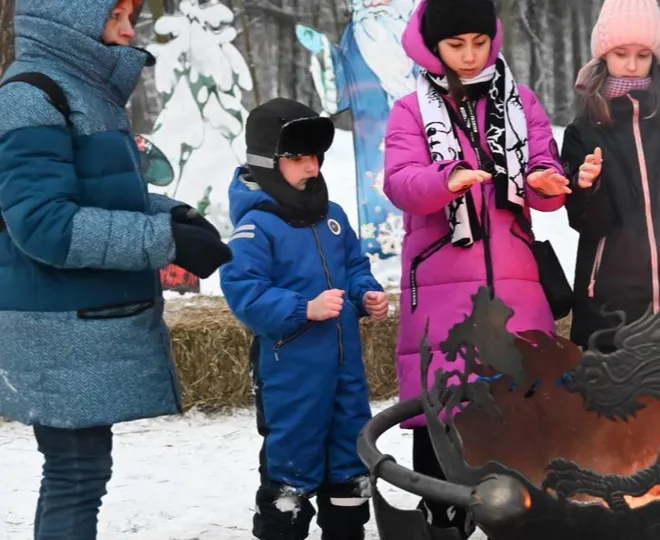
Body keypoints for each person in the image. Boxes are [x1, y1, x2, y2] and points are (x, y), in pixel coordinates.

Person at [0, 1, 233, 538]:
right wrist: (162, 240)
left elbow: (102, 196)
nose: (129, 30)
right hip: (56, 324)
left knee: (81, 473)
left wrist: (173, 215)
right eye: (115, 16)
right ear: (70, 15)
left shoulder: (84, 92)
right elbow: (43, 225)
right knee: (75, 475)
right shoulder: (31, 96)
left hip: (74, 321)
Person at [382, 0, 570, 534]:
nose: (469, 56)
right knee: (441, 417)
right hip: (444, 292)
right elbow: (402, 182)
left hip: (516, 284)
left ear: (494, 38)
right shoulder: (410, 110)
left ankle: (523, 521)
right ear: (433, 46)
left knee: (523, 416)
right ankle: (444, 521)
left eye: (479, 43)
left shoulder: (521, 100)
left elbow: (542, 167)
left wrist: (547, 184)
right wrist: (447, 180)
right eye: (455, 45)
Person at [220, 97, 389, 540]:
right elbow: (243, 291)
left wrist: (365, 292)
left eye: (315, 156)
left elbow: (354, 265)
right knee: (290, 474)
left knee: (352, 469)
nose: (311, 167)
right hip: (291, 376)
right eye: (297, 158)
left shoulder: (333, 217)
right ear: (267, 162)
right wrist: (303, 309)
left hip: (346, 373)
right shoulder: (256, 227)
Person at [561, 0, 660, 351]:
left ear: (656, 58)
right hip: (610, 304)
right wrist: (589, 187)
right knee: (614, 402)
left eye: (643, 55)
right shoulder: (583, 131)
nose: (632, 66)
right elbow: (586, 223)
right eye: (621, 53)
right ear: (603, 56)